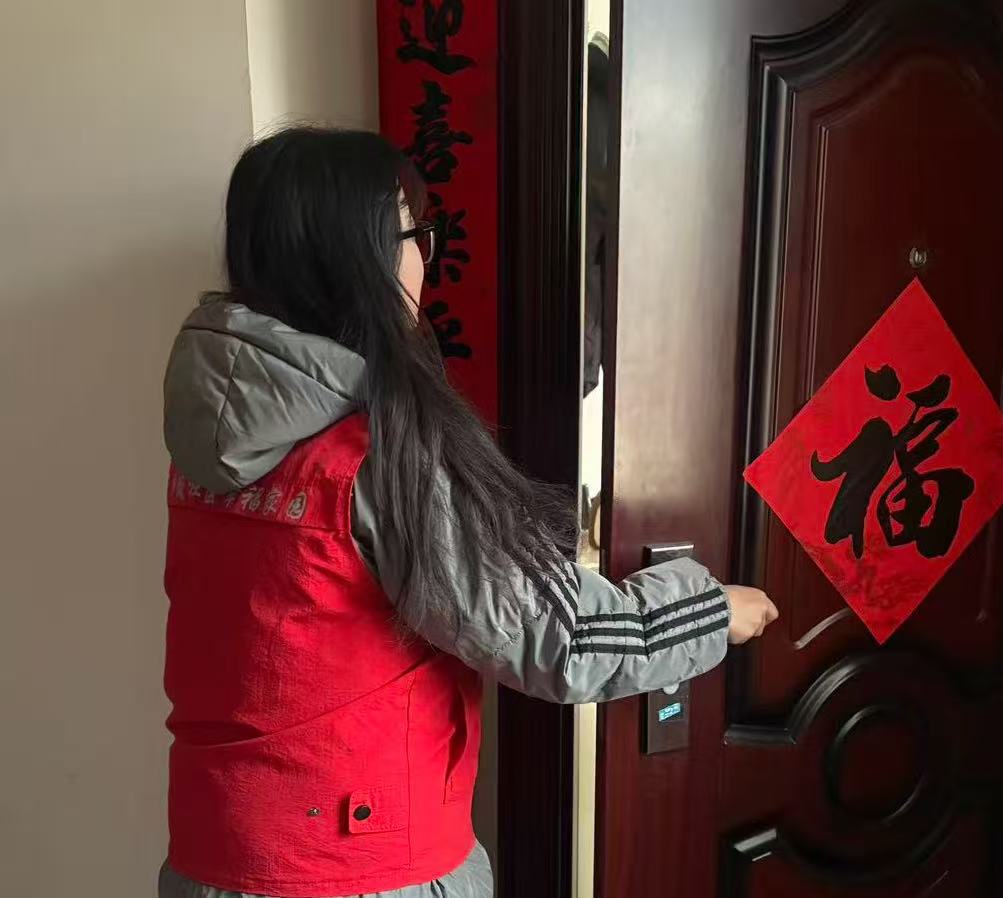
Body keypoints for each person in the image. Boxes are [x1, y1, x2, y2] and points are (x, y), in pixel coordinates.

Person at [158, 127, 778, 898]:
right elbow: (559, 637)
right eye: (413, 234)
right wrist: (708, 612)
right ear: (355, 257)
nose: (424, 258)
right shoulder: (374, 456)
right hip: (354, 872)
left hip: (213, 857)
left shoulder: (216, 428)